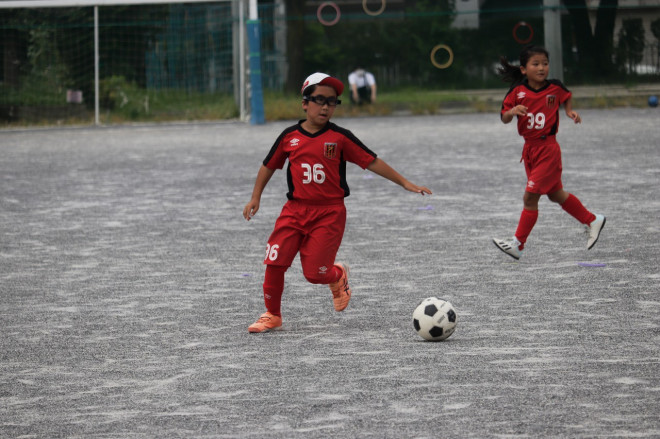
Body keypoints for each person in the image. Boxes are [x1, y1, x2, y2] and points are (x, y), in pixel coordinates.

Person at [243, 72, 431, 333]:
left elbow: (371, 161)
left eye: (332, 102)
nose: (325, 106)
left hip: (329, 213)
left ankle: (337, 275)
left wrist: (404, 182)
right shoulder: (289, 137)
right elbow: (269, 165)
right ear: (305, 103)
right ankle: (272, 314)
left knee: (315, 274)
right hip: (294, 211)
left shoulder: (341, 137)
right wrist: (256, 196)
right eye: (319, 100)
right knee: (274, 261)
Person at [492, 45, 605, 260]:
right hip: (530, 150)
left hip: (548, 150)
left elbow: (567, 95)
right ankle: (592, 220)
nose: (542, 68)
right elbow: (504, 117)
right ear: (524, 69)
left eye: (545, 63)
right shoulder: (518, 91)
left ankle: (518, 244)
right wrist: (513, 111)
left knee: (529, 197)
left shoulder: (555, 88)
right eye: (536, 64)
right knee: (555, 194)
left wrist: (569, 111)